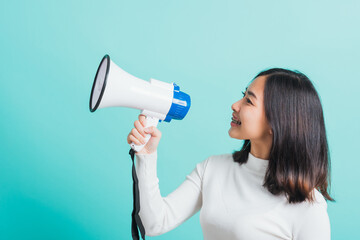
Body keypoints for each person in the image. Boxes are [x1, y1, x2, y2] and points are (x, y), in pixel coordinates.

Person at [127, 68, 334, 240]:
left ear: (277, 122)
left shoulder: (309, 208)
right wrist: (146, 156)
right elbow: (153, 223)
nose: (235, 105)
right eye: (243, 95)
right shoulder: (213, 169)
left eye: (249, 101)